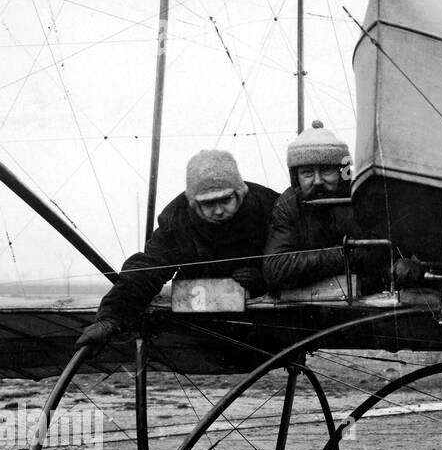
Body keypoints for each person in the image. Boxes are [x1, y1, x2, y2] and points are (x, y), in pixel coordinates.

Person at [74, 150, 279, 359]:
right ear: (192, 202)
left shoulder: (270, 206)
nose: (218, 210)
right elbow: (148, 269)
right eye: (208, 203)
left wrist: (266, 278)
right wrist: (110, 319)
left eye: (225, 200)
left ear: (240, 192)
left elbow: (295, 256)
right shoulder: (177, 218)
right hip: (203, 326)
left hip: (269, 322)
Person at [263, 121, 421, 292]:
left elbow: (390, 251)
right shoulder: (288, 204)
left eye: (326, 171)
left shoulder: (364, 197)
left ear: (342, 171)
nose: (317, 181)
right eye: (307, 172)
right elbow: (275, 268)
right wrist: (346, 255)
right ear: (296, 177)